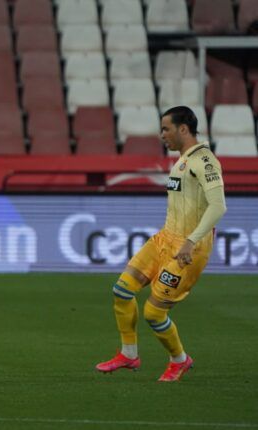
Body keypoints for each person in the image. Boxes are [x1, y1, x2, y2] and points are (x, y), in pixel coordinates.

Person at [96, 106, 227, 382]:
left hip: (189, 248)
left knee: (154, 312)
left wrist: (190, 242)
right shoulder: (181, 161)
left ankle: (179, 360)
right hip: (165, 238)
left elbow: (218, 206)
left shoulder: (204, 161)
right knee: (122, 291)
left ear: (183, 129)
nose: (162, 134)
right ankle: (129, 355)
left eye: (166, 128)